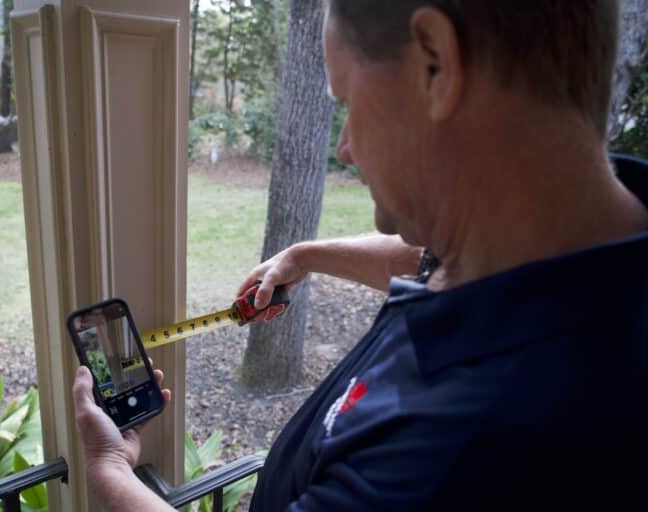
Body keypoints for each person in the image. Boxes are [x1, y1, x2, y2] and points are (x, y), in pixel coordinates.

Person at [73, 0, 648, 510]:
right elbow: (421, 258)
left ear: (436, 65)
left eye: (346, 99)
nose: (344, 146)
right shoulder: (556, 238)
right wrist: (305, 255)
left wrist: (109, 470)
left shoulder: (448, 453)